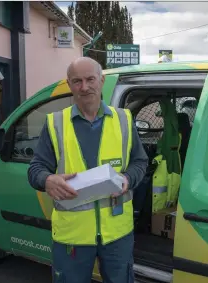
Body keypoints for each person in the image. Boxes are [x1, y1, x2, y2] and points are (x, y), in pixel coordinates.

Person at [27, 57, 148, 283]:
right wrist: (47, 180)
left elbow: (140, 162)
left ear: (101, 81)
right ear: (70, 84)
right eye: (77, 81)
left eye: (90, 79)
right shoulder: (55, 123)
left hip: (117, 234)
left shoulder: (124, 120)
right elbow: (35, 169)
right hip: (72, 236)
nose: (84, 87)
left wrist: (128, 178)